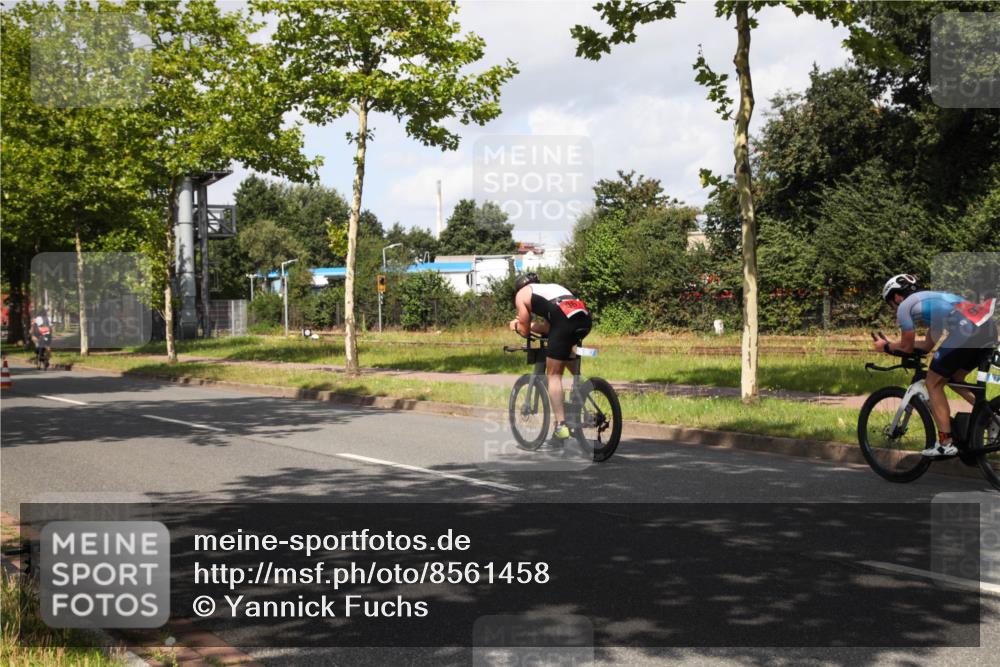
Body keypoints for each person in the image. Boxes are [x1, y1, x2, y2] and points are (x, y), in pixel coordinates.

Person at [875, 274, 998, 457]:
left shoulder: (905, 308)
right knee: (955, 378)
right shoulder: (934, 301)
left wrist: (885, 347)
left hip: (967, 331)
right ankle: (990, 417)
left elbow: (907, 347)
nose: (893, 308)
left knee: (933, 382)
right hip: (987, 328)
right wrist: (895, 345)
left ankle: (945, 443)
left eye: (890, 303)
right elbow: (926, 346)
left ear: (897, 297)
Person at [509, 272, 593, 445]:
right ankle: (584, 391)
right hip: (584, 319)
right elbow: (549, 328)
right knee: (565, 357)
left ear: (520, 287)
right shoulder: (551, 289)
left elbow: (525, 331)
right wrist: (533, 325)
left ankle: (560, 426)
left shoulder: (521, 295)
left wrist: (517, 325)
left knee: (554, 375)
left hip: (564, 323)